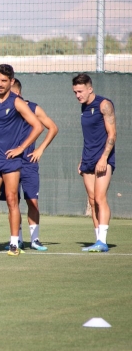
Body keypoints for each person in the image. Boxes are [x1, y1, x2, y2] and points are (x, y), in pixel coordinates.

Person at [0, 64, 43, 256]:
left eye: (4, 81)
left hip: (10, 161)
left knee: (12, 200)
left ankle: (14, 244)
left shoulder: (17, 102)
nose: (0, 84)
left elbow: (37, 126)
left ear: (11, 82)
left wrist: (21, 148)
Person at [2, 78, 59, 251]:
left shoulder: (33, 108)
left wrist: (40, 149)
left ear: (17, 92)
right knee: (12, 201)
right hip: (9, 163)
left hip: (28, 163)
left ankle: (35, 240)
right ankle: (17, 239)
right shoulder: (3, 109)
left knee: (31, 200)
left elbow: (52, 127)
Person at [72, 73, 116, 252]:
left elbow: (112, 134)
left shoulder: (104, 104)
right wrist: (83, 160)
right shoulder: (83, 107)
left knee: (99, 198)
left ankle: (103, 241)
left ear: (90, 89)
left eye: (80, 91)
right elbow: (89, 138)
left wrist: (104, 158)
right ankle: (98, 240)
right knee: (92, 201)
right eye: (75, 92)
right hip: (88, 160)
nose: (78, 95)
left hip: (103, 159)